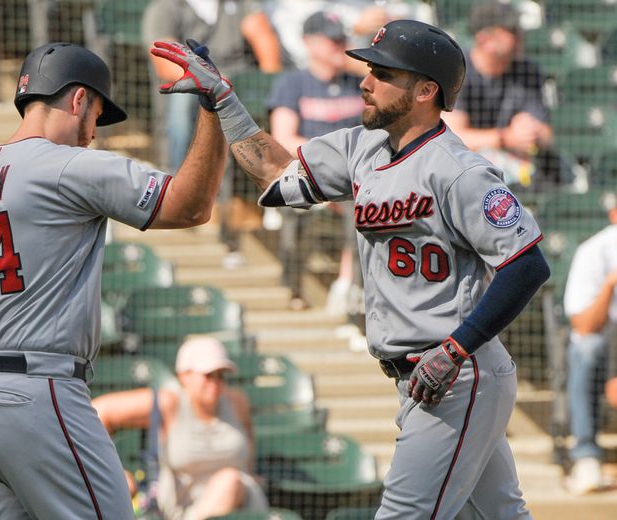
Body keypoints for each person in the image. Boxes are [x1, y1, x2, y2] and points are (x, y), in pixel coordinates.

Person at [152, 18, 551, 518]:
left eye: (383, 72)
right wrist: (225, 103)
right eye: (369, 68)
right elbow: (276, 174)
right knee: (499, 514)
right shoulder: (362, 148)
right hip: (426, 372)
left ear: (427, 90)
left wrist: (454, 350)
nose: (365, 80)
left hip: (455, 372)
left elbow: (527, 265)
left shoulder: (459, 171)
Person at [0, 41, 228, 519]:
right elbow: (191, 206)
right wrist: (215, 110)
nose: (93, 134)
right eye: (97, 115)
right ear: (79, 99)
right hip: (36, 396)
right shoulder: (67, 165)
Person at [92, 336, 268, 520]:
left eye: (221, 375)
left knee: (229, 480)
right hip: (178, 512)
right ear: (185, 376)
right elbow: (99, 412)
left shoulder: (237, 401)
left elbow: (249, 442)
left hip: (241, 506)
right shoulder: (169, 402)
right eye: (208, 375)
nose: (215, 383)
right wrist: (113, 473)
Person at [266, 10, 365, 312]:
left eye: (342, 39)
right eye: (332, 41)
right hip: (307, 173)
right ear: (309, 43)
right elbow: (283, 138)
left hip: (354, 178)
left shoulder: (359, 83)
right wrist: (332, 157)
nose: (340, 45)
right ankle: (294, 287)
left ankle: (350, 286)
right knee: (295, 212)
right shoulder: (292, 83)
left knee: (363, 207)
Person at [141, 0, 283, 172]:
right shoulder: (166, 7)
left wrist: (267, 84)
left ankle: (269, 174)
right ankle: (176, 176)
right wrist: (211, 81)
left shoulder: (240, 5)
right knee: (182, 99)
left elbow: (266, 46)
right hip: (192, 84)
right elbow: (165, 62)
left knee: (276, 96)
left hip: (234, 83)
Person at [441, 0, 563, 191]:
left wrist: (533, 131)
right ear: (485, 39)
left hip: (519, 164)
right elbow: (452, 138)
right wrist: (505, 138)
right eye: (510, 31)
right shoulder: (458, 70)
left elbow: (548, 135)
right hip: (467, 169)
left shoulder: (527, 70)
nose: (520, 36)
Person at [562, 193, 617, 495]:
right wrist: (610, 284)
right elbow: (583, 325)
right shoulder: (595, 250)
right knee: (584, 348)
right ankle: (586, 456)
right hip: (604, 340)